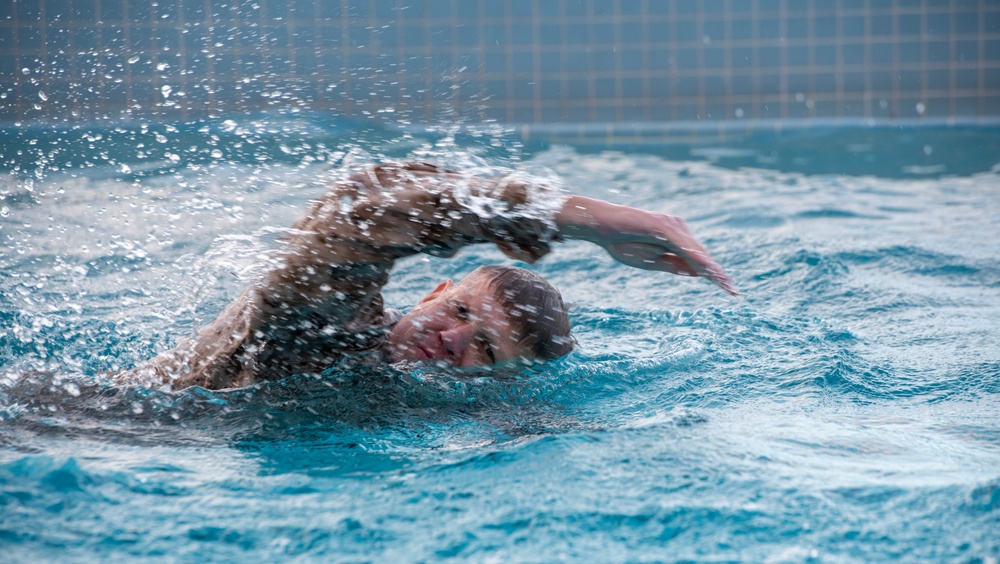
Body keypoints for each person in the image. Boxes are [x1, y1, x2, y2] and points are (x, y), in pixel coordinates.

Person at [116, 162, 737, 390]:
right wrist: (579, 219)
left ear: (503, 379)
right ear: (437, 289)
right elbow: (358, 212)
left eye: (486, 348)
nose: (454, 340)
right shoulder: (337, 326)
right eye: (463, 313)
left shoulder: (441, 406)